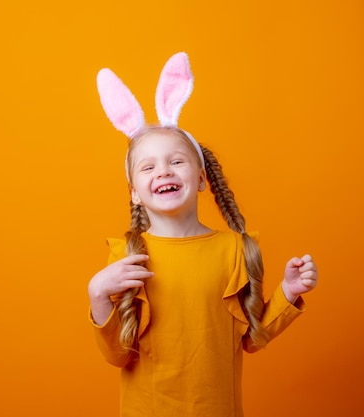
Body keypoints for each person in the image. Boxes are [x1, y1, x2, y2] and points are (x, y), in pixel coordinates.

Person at [88, 52, 318, 417]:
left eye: (176, 161)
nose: (163, 171)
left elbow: (251, 339)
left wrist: (288, 293)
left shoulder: (233, 250)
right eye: (148, 166)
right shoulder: (127, 257)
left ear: (199, 178)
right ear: (134, 191)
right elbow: (117, 354)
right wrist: (98, 295)